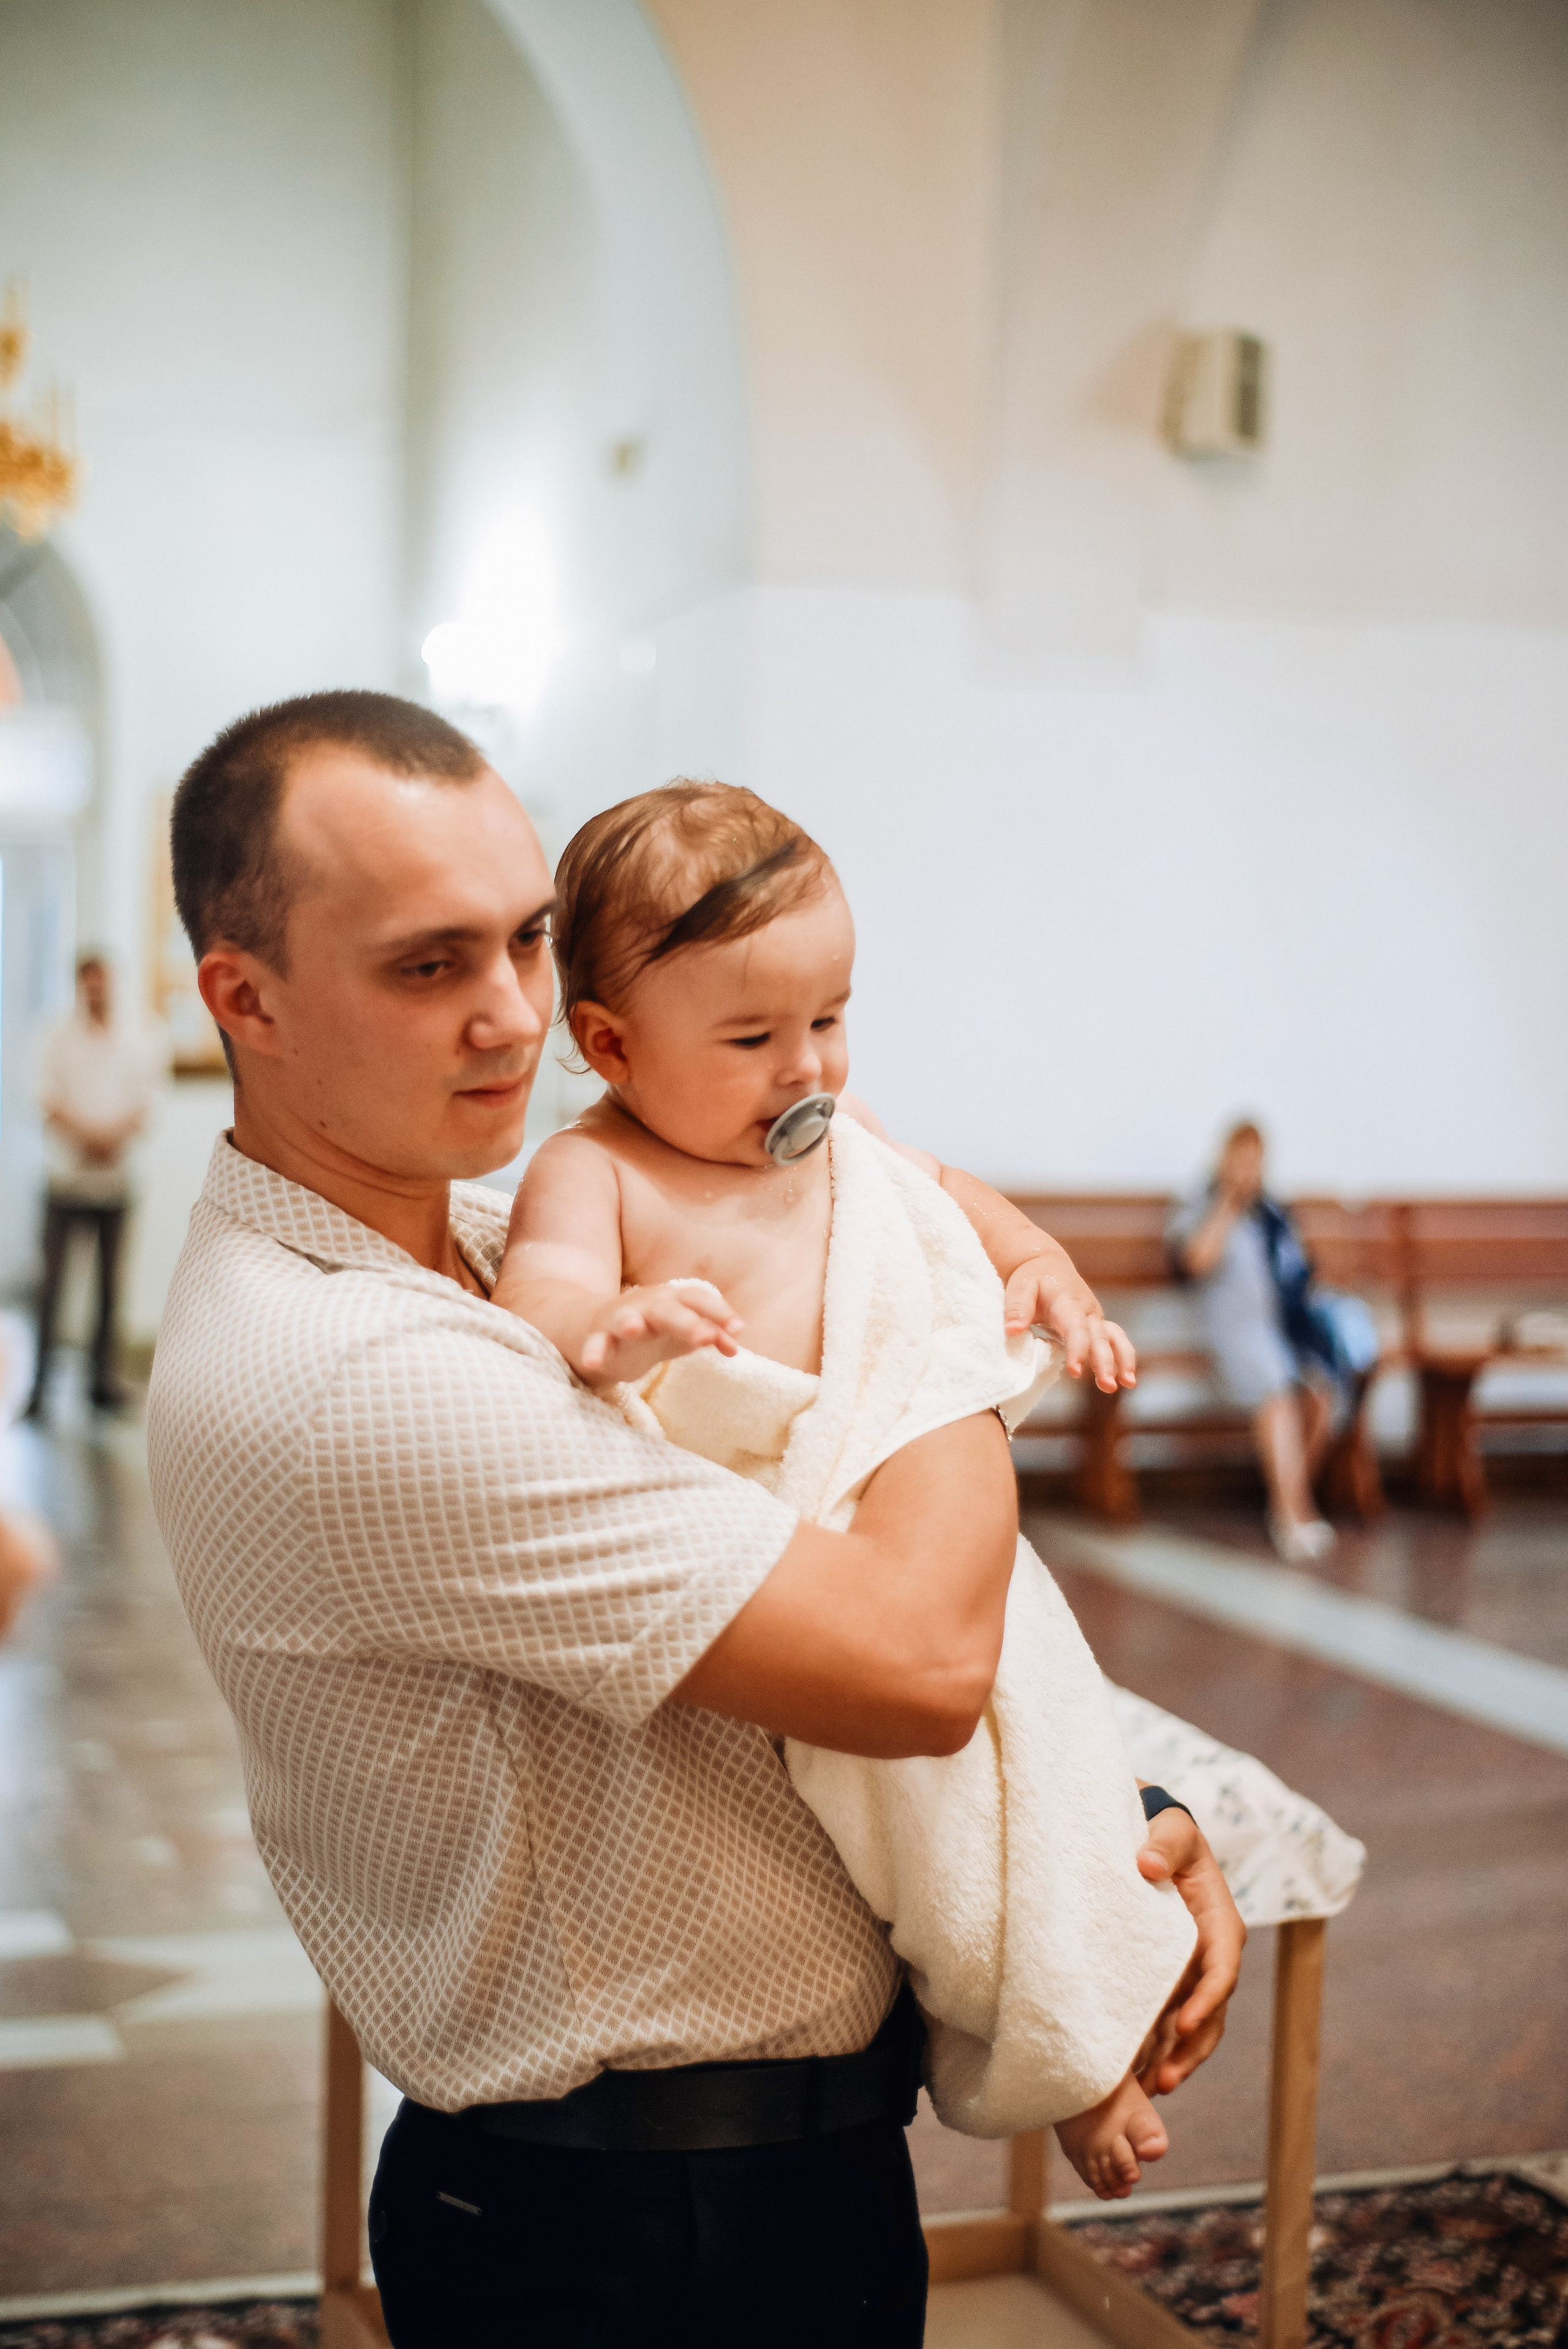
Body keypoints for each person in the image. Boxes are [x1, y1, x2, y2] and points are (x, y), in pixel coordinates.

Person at [148, 690, 1243, 2349]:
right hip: (637, 2236)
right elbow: (918, 1658)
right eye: (428, 965)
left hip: (760, 2173)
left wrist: (1112, 1821)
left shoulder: (497, 1231)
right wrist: (943, 1327)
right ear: (250, 996)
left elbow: (801, 1580)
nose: (513, 1016)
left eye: (526, 939)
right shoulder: (354, 1368)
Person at [497, 780, 1190, 2200]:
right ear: (609, 1042)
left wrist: (1033, 1262)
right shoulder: (591, 1168)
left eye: (828, 1017)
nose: (803, 1066)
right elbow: (541, 1301)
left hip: (897, 1487)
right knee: (923, 1835)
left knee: (1039, 1764)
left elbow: (938, 1198)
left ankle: (1084, 2018)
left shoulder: (840, 1125)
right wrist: (611, 1330)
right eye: (750, 1036)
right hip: (786, 1548)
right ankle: (1045, 2046)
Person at [1167, 1120, 1371, 1564]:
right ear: (1223, 1158)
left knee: (1320, 1392)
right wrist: (1227, 1205)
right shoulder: (1200, 1205)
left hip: (1277, 1329)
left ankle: (1288, 1498)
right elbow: (1194, 1262)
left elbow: (1298, 1277)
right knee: (1277, 1391)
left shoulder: (1273, 1215)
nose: (1246, 1169)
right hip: (1231, 1332)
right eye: (1238, 1158)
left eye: (1254, 1160)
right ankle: (1292, 1512)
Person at [24, 952, 163, 1419]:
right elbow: (47, 1098)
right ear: (79, 985)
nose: (96, 990)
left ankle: (100, 1383)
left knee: (110, 1287)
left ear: (113, 982)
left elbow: (147, 1101)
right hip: (67, 1180)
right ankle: (40, 1387)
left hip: (116, 1181)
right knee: (53, 1286)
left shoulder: (139, 1036)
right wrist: (87, 1135)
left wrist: (111, 1137)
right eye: (88, 983)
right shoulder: (58, 1038)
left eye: (102, 981)